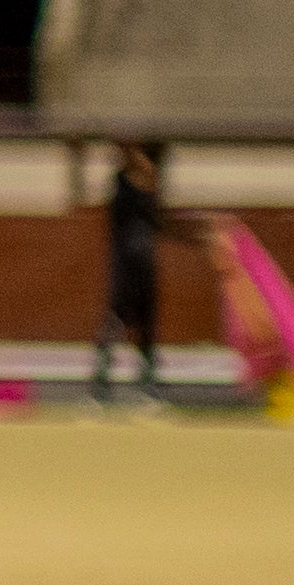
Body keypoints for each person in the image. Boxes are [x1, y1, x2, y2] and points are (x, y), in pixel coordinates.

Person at [93, 138, 179, 409]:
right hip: (125, 263)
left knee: (147, 325)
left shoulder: (150, 186)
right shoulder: (123, 183)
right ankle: (100, 385)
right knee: (116, 322)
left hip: (144, 264)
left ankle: (146, 385)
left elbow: (158, 226)